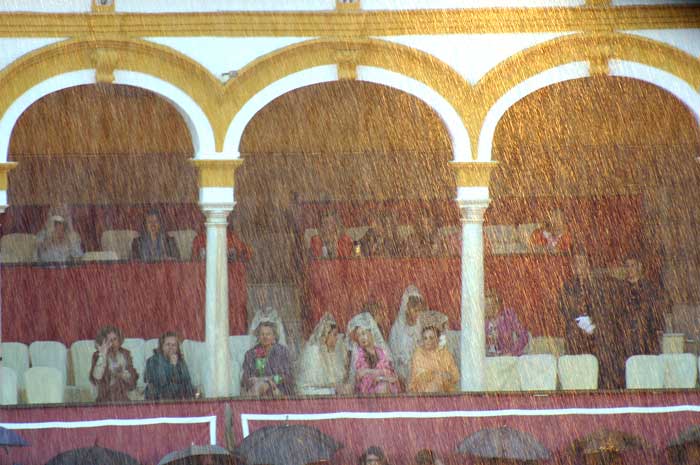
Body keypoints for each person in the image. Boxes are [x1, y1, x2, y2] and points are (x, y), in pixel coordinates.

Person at [595, 255, 665, 389]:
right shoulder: (619, 290)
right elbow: (614, 313)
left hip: (644, 338)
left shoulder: (650, 289)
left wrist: (654, 329)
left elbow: (656, 313)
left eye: (633, 265)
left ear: (639, 266)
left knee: (643, 373)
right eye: (627, 266)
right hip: (624, 338)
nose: (630, 269)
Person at [557, 251, 607, 355]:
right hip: (574, 331)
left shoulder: (598, 286)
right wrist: (578, 324)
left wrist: (593, 324)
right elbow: (563, 311)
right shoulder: (567, 287)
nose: (577, 265)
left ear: (587, 264)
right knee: (573, 338)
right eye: (575, 262)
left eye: (580, 261)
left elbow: (603, 309)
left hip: (595, 332)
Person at [296, 313, 350, 395]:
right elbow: (306, 388)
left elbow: (338, 381)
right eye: (334, 335)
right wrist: (332, 391)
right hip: (315, 398)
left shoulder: (333, 353)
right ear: (325, 335)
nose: (337, 338)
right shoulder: (314, 353)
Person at [348, 312, 400, 395]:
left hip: (387, 390)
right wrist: (378, 374)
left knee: (384, 387)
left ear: (371, 332)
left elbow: (391, 374)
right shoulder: (358, 354)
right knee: (382, 388)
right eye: (358, 335)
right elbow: (360, 377)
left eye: (363, 333)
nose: (362, 338)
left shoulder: (382, 351)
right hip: (367, 393)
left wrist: (368, 371)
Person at [241, 321, 294, 397]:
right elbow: (244, 379)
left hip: (279, 392)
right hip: (256, 391)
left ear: (274, 336)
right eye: (262, 334)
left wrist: (270, 381)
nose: (265, 337)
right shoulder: (250, 354)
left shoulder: (282, 352)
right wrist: (254, 381)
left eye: (268, 334)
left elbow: (288, 376)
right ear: (258, 336)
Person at [90, 325, 138, 403]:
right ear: (103, 342)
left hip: (123, 397)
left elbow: (133, 380)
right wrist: (103, 355)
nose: (112, 343)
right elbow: (96, 378)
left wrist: (124, 375)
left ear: (119, 340)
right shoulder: (98, 356)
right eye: (108, 340)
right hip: (105, 398)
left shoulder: (125, 354)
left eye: (114, 339)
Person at [389, 285, 427, 382]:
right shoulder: (397, 328)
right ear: (406, 309)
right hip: (402, 367)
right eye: (414, 310)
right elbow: (394, 353)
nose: (417, 313)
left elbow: (425, 346)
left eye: (419, 310)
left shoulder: (421, 327)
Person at [144, 331, 195, 400]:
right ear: (162, 346)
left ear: (177, 348)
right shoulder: (152, 361)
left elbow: (187, 383)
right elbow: (161, 386)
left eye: (174, 345)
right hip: (158, 401)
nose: (171, 347)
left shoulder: (181, 362)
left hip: (179, 401)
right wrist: (173, 367)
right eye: (168, 344)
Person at [408, 326, 459, 393]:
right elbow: (419, 375)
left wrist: (445, 376)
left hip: (444, 391)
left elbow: (455, 376)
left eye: (431, 338)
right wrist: (436, 374)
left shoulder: (445, 353)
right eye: (425, 338)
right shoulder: (418, 354)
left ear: (437, 339)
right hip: (422, 392)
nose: (428, 341)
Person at [484, 289, 529, 356]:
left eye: (487, 305)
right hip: (489, 360)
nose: (484, 308)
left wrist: (512, 352)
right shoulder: (482, 322)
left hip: (507, 358)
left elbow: (524, 336)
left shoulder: (508, 316)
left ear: (496, 305)